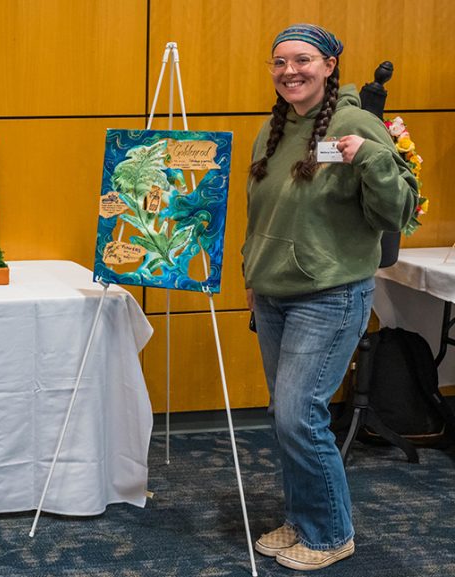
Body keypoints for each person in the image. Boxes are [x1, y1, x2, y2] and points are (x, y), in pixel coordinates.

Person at [243, 24, 417, 571]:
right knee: (286, 416)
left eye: (303, 60)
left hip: (330, 295)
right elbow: (262, 215)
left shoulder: (357, 124)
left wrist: (370, 156)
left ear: (329, 64)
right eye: (279, 62)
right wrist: (253, 276)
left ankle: (331, 533)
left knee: (301, 417)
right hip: (274, 295)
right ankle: (302, 518)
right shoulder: (273, 129)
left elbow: (398, 214)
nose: (290, 71)